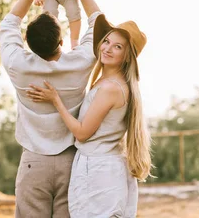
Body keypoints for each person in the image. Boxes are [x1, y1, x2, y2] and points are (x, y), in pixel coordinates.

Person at [27, 14, 152, 217]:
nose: (107, 48)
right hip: (101, 167)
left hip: (99, 171)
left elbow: (82, 133)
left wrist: (55, 100)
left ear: (128, 56)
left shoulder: (111, 88)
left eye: (118, 47)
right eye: (107, 41)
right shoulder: (107, 81)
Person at [0, 0, 101, 218]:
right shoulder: (79, 64)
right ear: (61, 41)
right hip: (70, 162)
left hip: (33, 162)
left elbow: (9, 23)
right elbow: (98, 22)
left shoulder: (18, 65)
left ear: (28, 43)